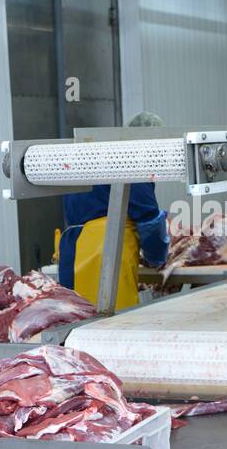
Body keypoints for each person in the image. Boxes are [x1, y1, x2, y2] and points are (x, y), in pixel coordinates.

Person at [57, 111, 169, 310]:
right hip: (108, 250)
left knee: (76, 321)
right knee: (112, 324)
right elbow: (148, 218)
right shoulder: (134, 157)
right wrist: (157, 257)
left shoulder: (95, 154)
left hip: (72, 248)